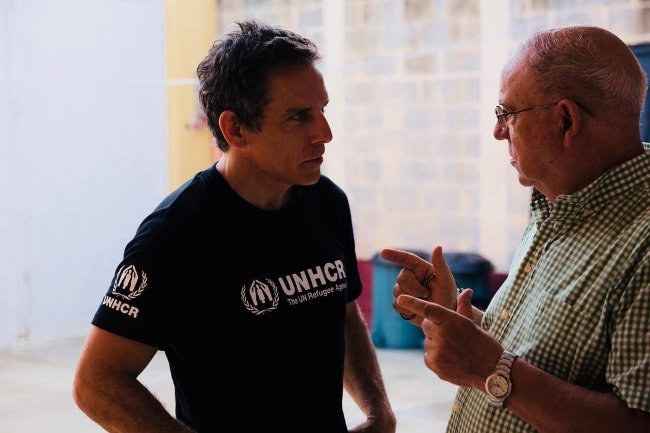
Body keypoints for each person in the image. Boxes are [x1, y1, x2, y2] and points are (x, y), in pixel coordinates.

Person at [72, 20, 396, 433]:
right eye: (298, 117)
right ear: (235, 129)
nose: (324, 134)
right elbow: (96, 383)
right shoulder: (176, 234)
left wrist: (377, 410)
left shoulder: (327, 203)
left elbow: (343, 312)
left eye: (322, 111)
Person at [381, 25, 650, 433]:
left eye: (507, 113)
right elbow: (537, 346)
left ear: (565, 120)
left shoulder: (642, 242)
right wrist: (456, 313)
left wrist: (488, 368)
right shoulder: (555, 203)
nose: (497, 131)